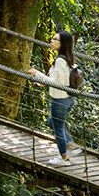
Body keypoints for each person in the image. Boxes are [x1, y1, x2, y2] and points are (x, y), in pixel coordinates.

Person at [32, 31, 81, 163]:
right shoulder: (68, 57)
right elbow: (61, 80)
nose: (52, 41)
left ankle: (63, 157)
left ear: (62, 44)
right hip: (69, 99)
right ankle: (71, 144)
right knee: (51, 122)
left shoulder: (60, 60)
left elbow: (55, 82)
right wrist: (43, 83)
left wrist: (36, 73)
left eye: (55, 39)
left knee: (58, 128)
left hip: (60, 100)